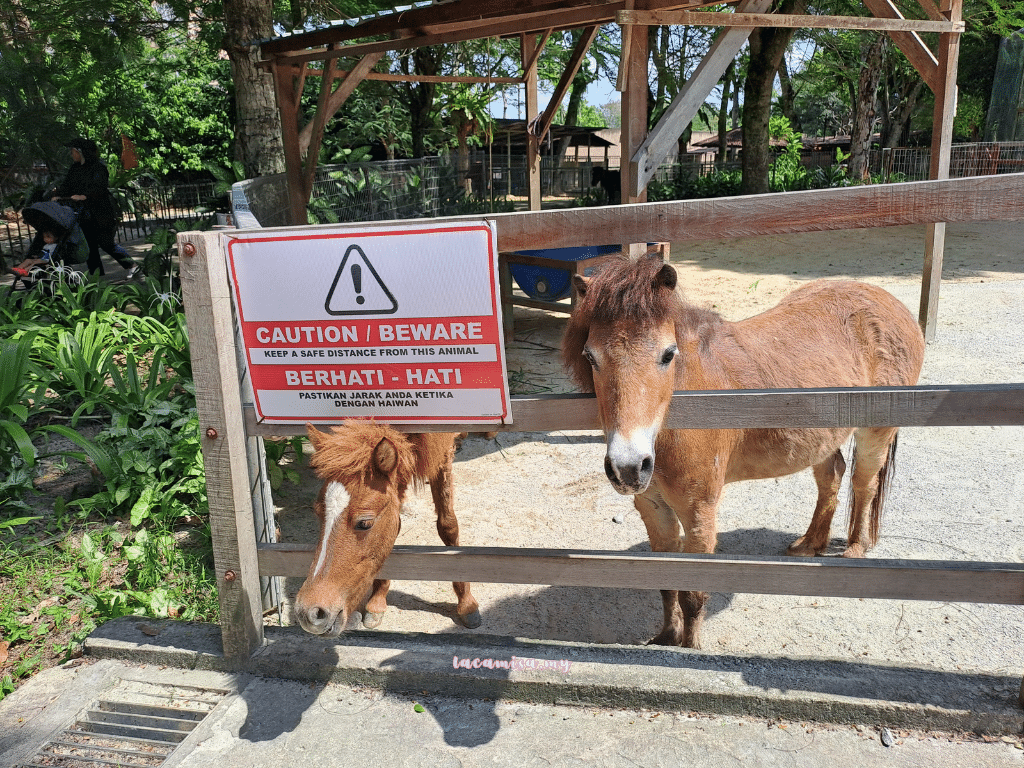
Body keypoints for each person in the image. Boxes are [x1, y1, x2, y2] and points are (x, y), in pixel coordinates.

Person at [52, 137, 139, 278]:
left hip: (100, 214)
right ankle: (97, 276)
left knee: (106, 243)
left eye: (73, 151)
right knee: (90, 247)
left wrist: (85, 196)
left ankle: (132, 265)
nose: (71, 154)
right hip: (83, 215)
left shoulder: (98, 168)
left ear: (81, 152)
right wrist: (59, 195)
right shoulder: (74, 169)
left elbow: (99, 187)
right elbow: (67, 186)